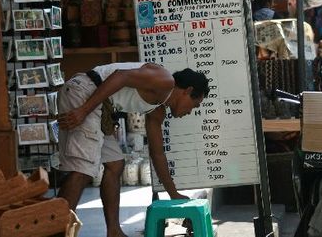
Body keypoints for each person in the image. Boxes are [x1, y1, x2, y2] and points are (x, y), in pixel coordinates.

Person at [56, 62, 210, 237]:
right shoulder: (164, 80)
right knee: (82, 169)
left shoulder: (157, 110)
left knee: (115, 164)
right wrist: (83, 110)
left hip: (99, 106)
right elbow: (121, 76)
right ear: (188, 91)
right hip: (84, 93)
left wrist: (173, 193)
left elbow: (157, 153)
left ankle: (114, 231)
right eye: (194, 105)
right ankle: (56, 231)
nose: (190, 111)